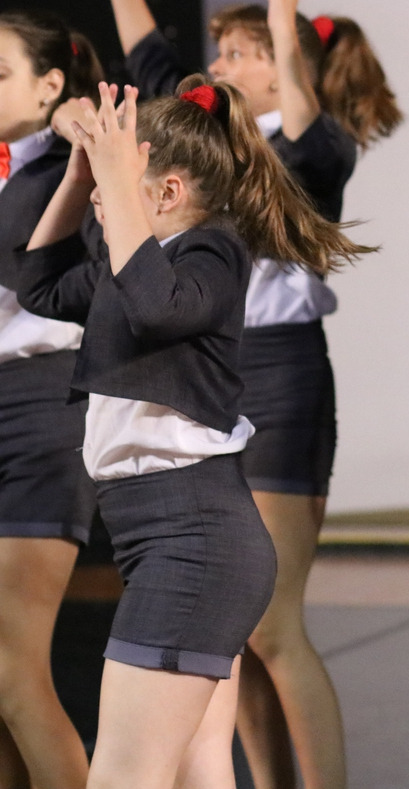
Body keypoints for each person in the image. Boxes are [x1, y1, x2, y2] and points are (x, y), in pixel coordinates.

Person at [93, 0, 401, 784]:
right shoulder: (207, 143)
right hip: (211, 367)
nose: (220, 64)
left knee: (272, 624)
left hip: (282, 371)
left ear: (284, 69)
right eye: (221, 50)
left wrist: (284, 27)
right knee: (232, 637)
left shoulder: (301, 151)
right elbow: (151, 61)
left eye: (241, 53)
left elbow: (309, 137)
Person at [17, 75, 370, 789]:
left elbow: (158, 308)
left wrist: (119, 189)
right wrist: (84, 174)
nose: (99, 202)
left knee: (123, 775)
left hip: (193, 538)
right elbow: (39, 284)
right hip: (165, 538)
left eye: (114, 186)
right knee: (199, 772)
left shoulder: (211, 251)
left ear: (169, 191)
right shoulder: (129, 265)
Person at [0, 6, 102, 789]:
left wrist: (78, 129)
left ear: (50, 85)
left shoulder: (69, 164)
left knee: (12, 666)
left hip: (41, 409)